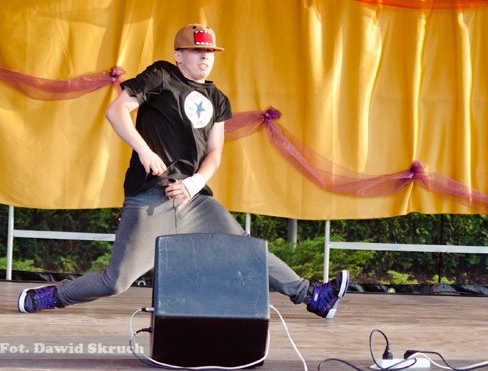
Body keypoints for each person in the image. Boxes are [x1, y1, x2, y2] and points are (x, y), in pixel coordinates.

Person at [17, 23, 349, 319]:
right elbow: (117, 111)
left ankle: (313, 296)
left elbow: (215, 153)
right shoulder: (161, 75)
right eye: (196, 50)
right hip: (152, 198)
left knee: (245, 248)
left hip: (194, 201)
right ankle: (54, 295)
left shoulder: (218, 98)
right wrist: (144, 151)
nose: (205, 57)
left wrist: (194, 183)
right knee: (116, 281)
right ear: (178, 55)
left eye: (210, 52)